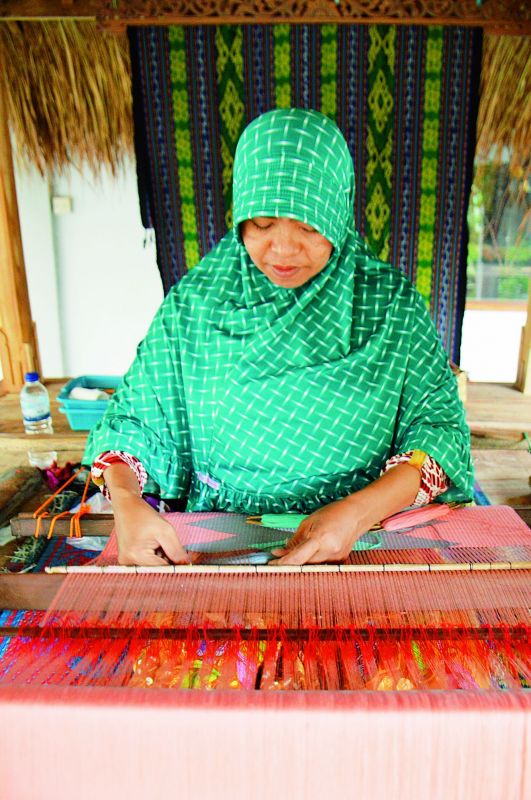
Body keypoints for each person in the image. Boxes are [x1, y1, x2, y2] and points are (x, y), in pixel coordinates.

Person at [84, 108, 473, 566]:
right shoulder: (194, 306)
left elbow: (440, 432)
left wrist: (355, 512)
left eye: (309, 227)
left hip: (359, 537)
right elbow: (135, 420)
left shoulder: (392, 308)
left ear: (339, 215)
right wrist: (127, 503)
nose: (284, 250)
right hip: (217, 539)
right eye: (263, 224)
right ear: (240, 215)